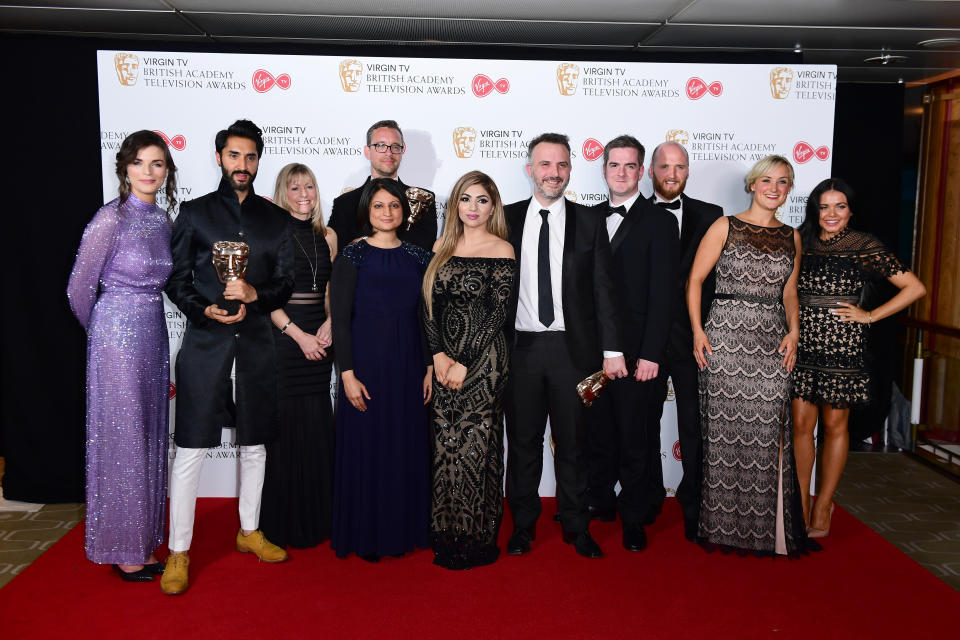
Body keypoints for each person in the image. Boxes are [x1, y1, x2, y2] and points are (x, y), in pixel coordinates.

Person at [162, 119, 295, 594]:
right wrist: (205, 309)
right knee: (192, 448)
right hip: (205, 345)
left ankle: (249, 530)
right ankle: (179, 551)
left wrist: (257, 293)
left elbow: (286, 282)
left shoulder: (276, 219)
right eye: (234, 155)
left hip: (258, 345)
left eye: (251, 157)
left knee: (255, 444)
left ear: (259, 161)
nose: (243, 165)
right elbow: (176, 281)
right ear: (219, 157)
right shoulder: (194, 214)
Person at [504, 133, 625, 559]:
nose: (554, 173)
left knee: (575, 444)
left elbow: (604, 291)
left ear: (570, 169)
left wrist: (613, 351)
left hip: (575, 354)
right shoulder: (504, 218)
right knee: (522, 444)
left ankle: (577, 527)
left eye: (562, 165)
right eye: (545, 165)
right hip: (519, 353)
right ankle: (522, 527)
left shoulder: (590, 222)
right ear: (530, 169)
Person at [687, 155, 815, 555]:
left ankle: (768, 534)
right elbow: (695, 280)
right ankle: (723, 529)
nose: (774, 188)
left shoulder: (792, 235)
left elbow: (790, 292)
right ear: (752, 184)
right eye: (767, 180)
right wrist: (697, 332)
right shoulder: (725, 225)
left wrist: (795, 330)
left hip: (772, 341)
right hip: (724, 338)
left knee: (766, 439)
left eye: (783, 182)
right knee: (724, 438)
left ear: (789, 189)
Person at [67, 130, 177, 582]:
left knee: (150, 438)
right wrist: (103, 338)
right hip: (115, 336)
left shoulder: (163, 221)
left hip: (153, 331)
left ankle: (145, 541)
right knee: (125, 442)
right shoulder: (109, 219)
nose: (148, 172)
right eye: (139, 163)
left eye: (157, 164)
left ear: (166, 170)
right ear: (124, 168)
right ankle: (123, 549)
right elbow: (78, 288)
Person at [792, 178, 925, 538]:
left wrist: (869, 316)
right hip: (802, 345)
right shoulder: (799, 240)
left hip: (842, 346)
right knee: (802, 429)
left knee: (835, 427)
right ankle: (801, 501)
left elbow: (915, 287)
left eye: (840, 206)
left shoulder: (864, 245)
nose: (832, 214)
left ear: (850, 211)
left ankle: (824, 503)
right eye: (824, 206)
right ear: (814, 210)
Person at [330, 178, 433, 561]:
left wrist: (427, 365)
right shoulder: (352, 257)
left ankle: (403, 528)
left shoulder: (419, 258)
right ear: (366, 213)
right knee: (367, 447)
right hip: (365, 367)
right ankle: (365, 530)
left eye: (394, 205)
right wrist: (347, 374)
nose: (387, 212)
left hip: (408, 365)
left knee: (404, 445)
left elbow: (425, 317)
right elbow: (340, 320)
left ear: (404, 212)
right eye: (379, 206)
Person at [584, 136, 679, 552]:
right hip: (593, 352)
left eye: (629, 166)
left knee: (637, 438)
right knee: (598, 433)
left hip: (641, 355)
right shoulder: (585, 218)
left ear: (641, 172)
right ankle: (601, 502)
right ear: (603, 170)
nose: (621, 173)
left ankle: (634, 518)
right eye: (614, 165)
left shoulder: (660, 222)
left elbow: (664, 296)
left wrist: (651, 354)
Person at [422, 171, 516, 569]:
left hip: (485, 364)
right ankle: (448, 535)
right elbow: (428, 307)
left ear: (493, 206)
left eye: (481, 200)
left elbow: (497, 315)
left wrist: (464, 361)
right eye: (465, 199)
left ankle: (477, 538)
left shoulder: (503, 249)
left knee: (478, 448)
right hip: (444, 363)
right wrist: (439, 356)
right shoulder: (440, 245)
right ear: (454, 204)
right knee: (445, 449)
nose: (472, 208)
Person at [646, 141, 724, 541]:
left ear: (688, 171)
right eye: (664, 166)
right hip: (648, 344)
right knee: (644, 427)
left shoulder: (712, 217)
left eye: (679, 167)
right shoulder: (634, 214)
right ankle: (647, 503)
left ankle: (696, 509)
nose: (672, 174)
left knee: (695, 427)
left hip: (698, 340)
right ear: (651, 171)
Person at [258, 163, 338, 549]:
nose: (304, 193)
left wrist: (330, 324)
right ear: (281, 193)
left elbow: (329, 292)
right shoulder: (271, 234)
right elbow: (267, 300)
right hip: (285, 338)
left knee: (316, 423)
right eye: (295, 188)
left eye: (309, 186)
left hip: (320, 339)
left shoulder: (329, 236)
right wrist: (300, 336)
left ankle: (318, 516)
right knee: (287, 430)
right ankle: (284, 521)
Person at [327, 119, 438, 251]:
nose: (389, 153)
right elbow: (338, 252)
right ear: (368, 151)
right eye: (380, 145)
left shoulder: (422, 199)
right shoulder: (345, 203)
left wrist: (365, 241)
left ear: (403, 150)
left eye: (395, 146)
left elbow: (424, 248)